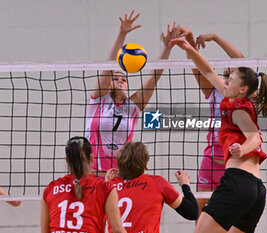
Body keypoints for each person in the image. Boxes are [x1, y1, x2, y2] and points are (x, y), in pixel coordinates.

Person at [170, 37, 267, 233]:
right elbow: (207, 71)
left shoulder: (238, 109)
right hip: (255, 190)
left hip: (238, 183)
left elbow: (255, 137)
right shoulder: (231, 97)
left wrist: (242, 148)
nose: (225, 81)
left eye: (230, 79)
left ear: (243, 89)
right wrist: (189, 49)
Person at [85, 10, 178, 176]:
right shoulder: (99, 100)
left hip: (121, 175)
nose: (121, 80)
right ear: (108, 84)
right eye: (116, 78)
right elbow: (108, 67)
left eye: (124, 79)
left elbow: (154, 76)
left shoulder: (132, 107)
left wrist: (167, 47)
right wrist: (122, 34)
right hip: (94, 174)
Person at [175, 25, 244, 216]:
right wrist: (189, 42)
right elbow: (199, 65)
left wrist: (215, 36)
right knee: (201, 213)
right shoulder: (214, 91)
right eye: (226, 75)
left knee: (232, 219)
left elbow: (240, 60)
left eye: (233, 74)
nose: (229, 78)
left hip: (235, 165)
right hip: (210, 161)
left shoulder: (244, 96)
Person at [105, 141, 199, 233]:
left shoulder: (108, 187)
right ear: (145, 165)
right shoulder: (157, 183)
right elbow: (192, 213)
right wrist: (185, 185)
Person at [40, 136, 126, 233]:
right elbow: (118, 230)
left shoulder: (50, 189)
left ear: (67, 160)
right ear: (91, 158)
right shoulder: (105, 188)